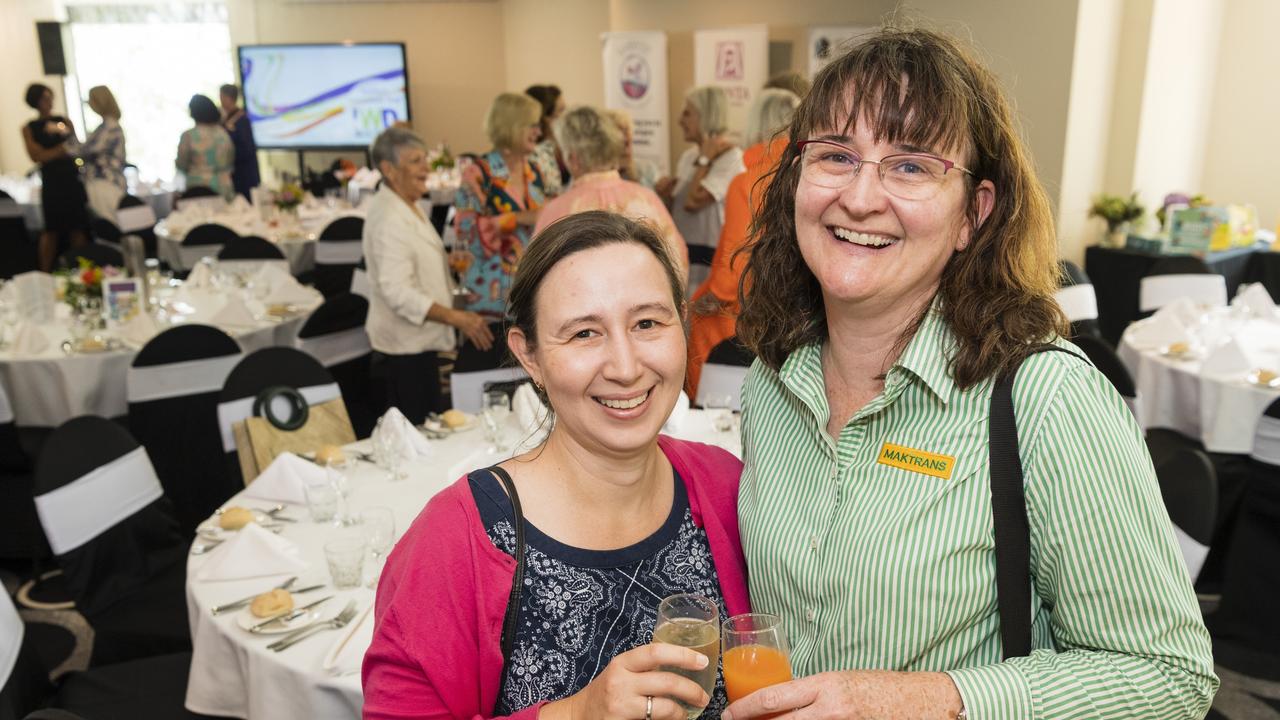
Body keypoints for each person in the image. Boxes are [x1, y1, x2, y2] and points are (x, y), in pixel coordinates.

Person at [724, 28, 1217, 720]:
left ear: (973, 215)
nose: (861, 198)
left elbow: (1168, 677)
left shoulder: (1046, 399)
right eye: (837, 156)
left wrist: (935, 698)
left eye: (911, 167)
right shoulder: (772, 384)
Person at [363, 211, 750, 719]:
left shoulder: (725, 486)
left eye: (648, 323)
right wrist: (573, 714)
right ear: (530, 357)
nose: (627, 367)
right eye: (585, 334)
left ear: (682, 320)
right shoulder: (457, 542)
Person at [362, 127, 493, 425]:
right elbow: (396, 291)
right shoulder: (389, 218)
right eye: (414, 161)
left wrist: (443, 260)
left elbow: (406, 261)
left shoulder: (407, 203)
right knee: (418, 433)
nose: (425, 168)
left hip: (418, 345)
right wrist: (456, 317)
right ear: (388, 169)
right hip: (402, 351)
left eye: (424, 159)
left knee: (429, 425)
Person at [685, 88, 799, 399]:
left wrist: (705, 301)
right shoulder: (805, 176)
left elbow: (735, 267)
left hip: (743, 319)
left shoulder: (749, 183)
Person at [534, 105, 688, 285]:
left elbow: (535, 279)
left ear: (573, 159)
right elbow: (678, 263)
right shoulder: (647, 198)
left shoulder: (558, 209)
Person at [452, 92, 546, 323]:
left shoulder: (534, 172)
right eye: (532, 125)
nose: (539, 132)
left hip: (529, 290)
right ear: (512, 126)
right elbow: (466, 235)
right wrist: (518, 218)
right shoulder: (479, 173)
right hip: (489, 295)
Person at [654, 86, 744, 292]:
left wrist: (705, 160)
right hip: (684, 252)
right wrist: (665, 195)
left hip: (708, 256)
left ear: (706, 115)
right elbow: (679, 210)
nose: (680, 121)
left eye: (687, 113)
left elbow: (694, 201)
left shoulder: (732, 157)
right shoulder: (688, 157)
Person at [21, 83, 88, 271]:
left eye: (50, 97)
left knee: (78, 226)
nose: (48, 102)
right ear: (36, 101)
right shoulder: (30, 128)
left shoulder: (63, 121)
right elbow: (37, 156)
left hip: (71, 179)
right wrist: (60, 150)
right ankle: (45, 271)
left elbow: (76, 148)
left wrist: (53, 152)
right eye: (44, 98)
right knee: (51, 230)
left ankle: (81, 269)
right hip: (52, 182)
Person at [79, 85, 127, 220]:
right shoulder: (108, 126)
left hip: (106, 182)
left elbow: (84, 151)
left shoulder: (109, 127)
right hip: (108, 182)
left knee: (111, 225)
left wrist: (67, 136)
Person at [176, 94, 234, 199]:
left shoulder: (189, 136)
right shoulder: (223, 134)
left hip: (198, 191)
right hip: (224, 188)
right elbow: (230, 161)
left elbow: (181, 164)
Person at [525, 84, 568, 197]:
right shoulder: (532, 155)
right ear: (545, 117)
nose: (566, 116)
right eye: (561, 111)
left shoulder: (565, 144)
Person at [219, 83, 261, 200]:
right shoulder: (224, 119)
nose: (221, 101)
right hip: (233, 173)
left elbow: (247, 149)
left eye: (221, 97)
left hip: (244, 173)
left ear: (228, 98)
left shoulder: (241, 120)